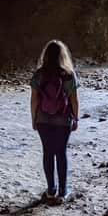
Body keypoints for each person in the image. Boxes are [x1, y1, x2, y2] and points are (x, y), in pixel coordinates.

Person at [31, 39, 79, 204]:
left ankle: (51, 189)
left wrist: (34, 119)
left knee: (48, 153)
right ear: (62, 55)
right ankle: (63, 191)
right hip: (63, 120)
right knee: (61, 153)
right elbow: (74, 100)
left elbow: (34, 100)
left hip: (43, 119)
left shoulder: (39, 75)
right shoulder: (68, 75)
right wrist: (76, 118)